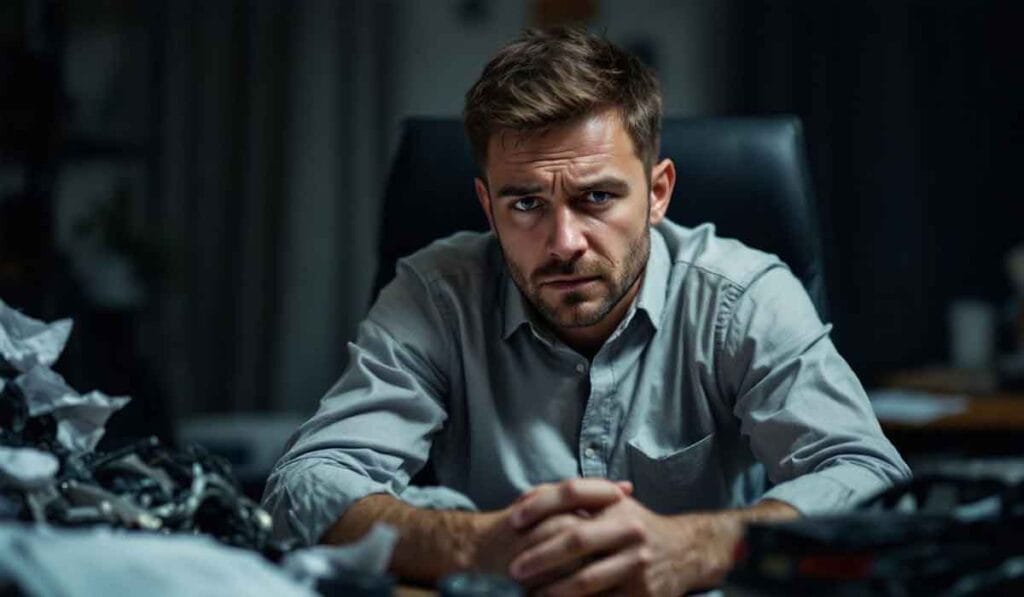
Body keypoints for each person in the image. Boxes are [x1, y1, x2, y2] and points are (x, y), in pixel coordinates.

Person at [263, 28, 910, 595]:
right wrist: (475, 545)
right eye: (525, 204)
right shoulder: (437, 292)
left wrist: (696, 546)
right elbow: (304, 485)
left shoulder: (743, 294)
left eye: (596, 197)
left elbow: (871, 479)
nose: (564, 241)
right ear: (487, 208)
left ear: (658, 193)